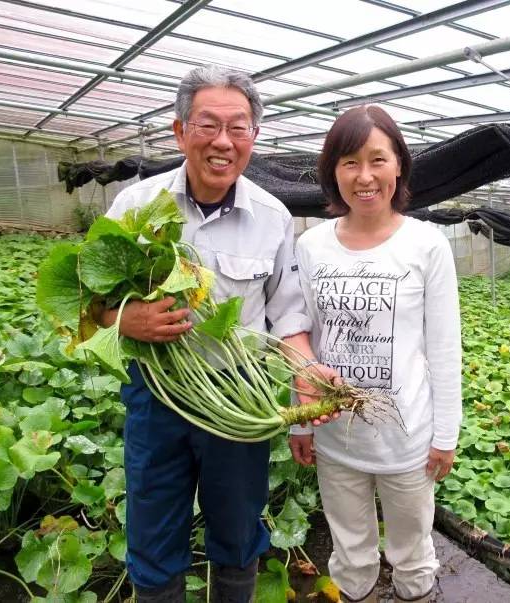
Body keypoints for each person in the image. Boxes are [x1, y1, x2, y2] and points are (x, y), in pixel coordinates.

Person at [100, 64, 335, 603]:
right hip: (157, 393)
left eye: (239, 127)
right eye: (207, 125)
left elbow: (290, 317)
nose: (223, 142)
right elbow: (92, 306)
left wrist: (307, 376)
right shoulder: (135, 208)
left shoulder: (273, 217)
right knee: (153, 529)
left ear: (255, 136)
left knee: (238, 529)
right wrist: (125, 319)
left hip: (238, 395)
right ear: (180, 131)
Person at [289, 105, 462, 603]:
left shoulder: (426, 245)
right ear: (333, 172)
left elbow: (444, 348)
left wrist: (445, 433)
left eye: (377, 160)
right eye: (349, 162)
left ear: (399, 166)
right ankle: (355, 592)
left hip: (406, 438)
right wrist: (301, 422)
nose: (364, 177)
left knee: (413, 549)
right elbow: (301, 338)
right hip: (335, 435)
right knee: (349, 548)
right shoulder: (313, 245)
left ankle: (414, 593)